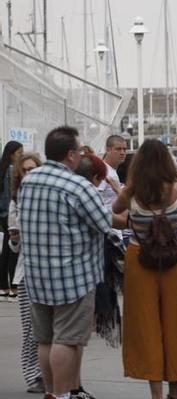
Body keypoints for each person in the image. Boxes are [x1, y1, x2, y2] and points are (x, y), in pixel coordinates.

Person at [19, 127, 113, 399]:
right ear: (71, 155)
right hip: (72, 277)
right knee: (67, 340)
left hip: (36, 276)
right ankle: (62, 395)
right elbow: (103, 223)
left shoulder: (29, 180)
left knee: (45, 339)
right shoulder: (77, 186)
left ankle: (51, 391)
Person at [112, 138, 177, 399]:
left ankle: (156, 395)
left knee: (146, 326)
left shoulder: (132, 191)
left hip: (139, 258)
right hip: (172, 259)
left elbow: (116, 210)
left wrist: (122, 190)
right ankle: (175, 393)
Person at [6, 152, 44, 393]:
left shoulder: (46, 197)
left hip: (49, 272)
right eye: (25, 170)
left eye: (33, 169)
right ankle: (34, 376)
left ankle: (48, 373)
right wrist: (16, 239)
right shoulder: (16, 202)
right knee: (31, 329)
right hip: (26, 273)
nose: (29, 173)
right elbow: (14, 245)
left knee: (47, 331)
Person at [0, 139, 24, 299]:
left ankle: (3, 286)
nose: (21, 157)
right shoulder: (10, 170)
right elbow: (10, 196)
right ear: (12, 154)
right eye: (19, 154)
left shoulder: (3, 169)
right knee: (11, 252)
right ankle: (11, 287)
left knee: (5, 252)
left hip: (2, 215)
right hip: (8, 215)